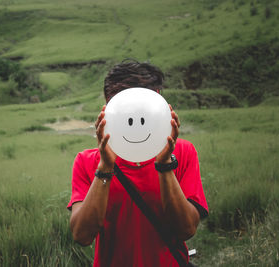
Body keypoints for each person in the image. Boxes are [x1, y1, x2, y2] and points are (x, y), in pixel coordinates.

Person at [67, 60, 208, 267]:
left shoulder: (183, 153)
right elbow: (82, 235)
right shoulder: (88, 161)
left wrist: (165, 165)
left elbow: (186, 230)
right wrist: (105, 168)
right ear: (107, 109)